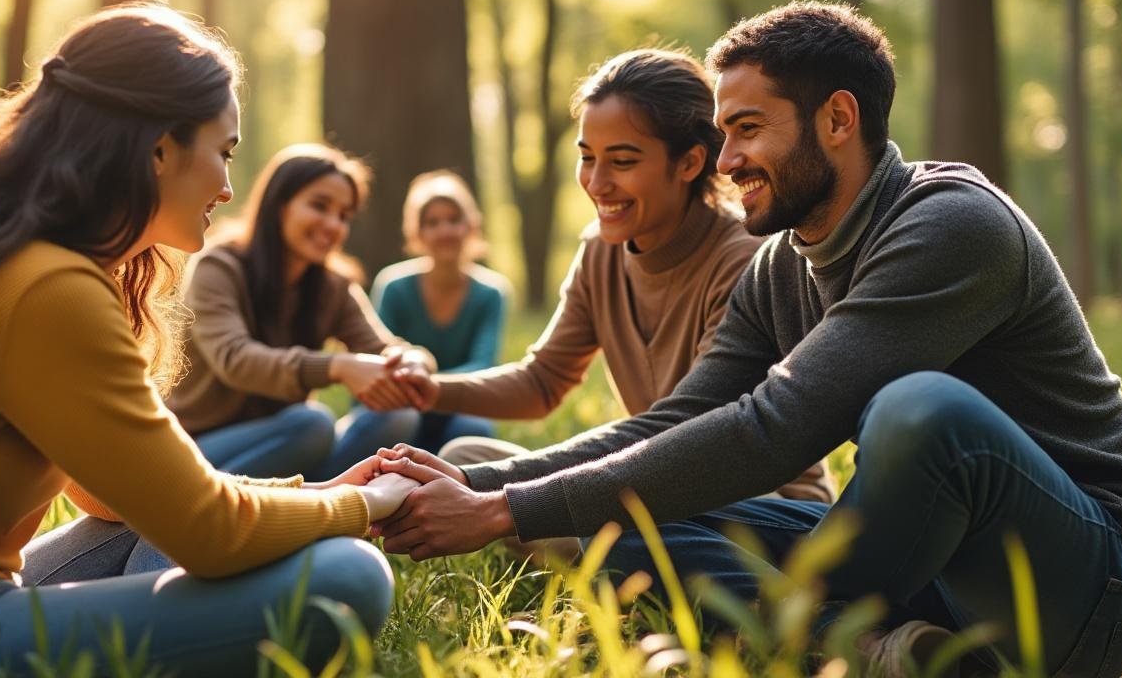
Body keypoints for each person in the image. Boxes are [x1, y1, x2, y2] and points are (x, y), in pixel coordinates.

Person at [375, 2, 1122, 678]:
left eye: (748, 129)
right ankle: (871, 650)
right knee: (622, 520)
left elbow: (776, 427)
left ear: (838, 118)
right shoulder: (781, 268)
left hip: (1090, 582)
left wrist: (501, 510)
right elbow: (673, 422)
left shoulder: (951, 226)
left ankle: (806, 636)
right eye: (723, 132)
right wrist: (489, 492)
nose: (725, 161)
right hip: (929, 571)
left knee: (922, 410)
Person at [0, 3, 416, 676]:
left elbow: (125, 498)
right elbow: (208, 532)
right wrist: (366, 504)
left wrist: (314, 497)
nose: (229, 188)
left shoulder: (19, 260)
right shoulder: (46, 288)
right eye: (223, 153)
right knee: (346, 578)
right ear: (158, 148)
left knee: (148, 524)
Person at [393, 49, 834, 507]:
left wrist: (482, 485)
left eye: (622, 162)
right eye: (587, 158)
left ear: (688, 163)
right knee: (465, 451)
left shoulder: (744, 260)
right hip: (647, 479)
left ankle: (569, 535)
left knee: (547, 499)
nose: (597, 183)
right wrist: (428, 389)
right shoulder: (599, 251)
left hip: (757, 501)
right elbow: (543, 382)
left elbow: (680, 430)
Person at [163, 144, 434, 481]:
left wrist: (412, 362)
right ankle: (221, 511)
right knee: (313, 424)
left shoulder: (333, 285)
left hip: (289, 443)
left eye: (344, 215)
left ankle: (309, 506)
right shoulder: (219, 267)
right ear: (277, 205)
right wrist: (337, 367)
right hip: (199, 448)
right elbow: (235, 360)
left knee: (398, 416)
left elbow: (382, 347)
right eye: (319, 206)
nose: (332, 224)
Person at [368, 170, 510, 454]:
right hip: (398, 406)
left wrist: (424, 384)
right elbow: (378, 359)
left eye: (453, 220)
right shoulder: (393, 287)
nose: (445, 231)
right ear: (417, 232)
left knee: (474, 431)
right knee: (387, 424)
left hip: (459, 410)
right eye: (432, 222)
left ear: (470, 226)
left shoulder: (491, 293)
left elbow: (483, 366)